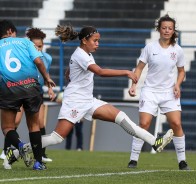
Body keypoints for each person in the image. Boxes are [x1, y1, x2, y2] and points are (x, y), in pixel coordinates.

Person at [7, 24, 174, 168]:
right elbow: (99, 71)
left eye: (98, 40)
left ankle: (155, 142)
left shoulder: (84, 54)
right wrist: (126, 72)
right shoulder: (80, 54)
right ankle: (16, 151)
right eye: (95, 40)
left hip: (88, 100)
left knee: (121, 117)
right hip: (75, 101)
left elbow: (76, 68)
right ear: (84, 41)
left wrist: (69, 71)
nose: (97, 44)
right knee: (56, 138)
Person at [126, 14, 190, 170]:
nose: (167, 31)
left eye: (170, 28)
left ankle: (182, 161)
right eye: (164, 28)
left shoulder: (178, 50)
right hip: (150, 91)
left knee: (176, 123)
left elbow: (182, 71)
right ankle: (133, 160)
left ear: (174, 31)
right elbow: (140, 68)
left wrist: (177, 85)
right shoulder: (150, 47)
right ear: (159, 30)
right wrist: (134, 84)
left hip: (169, 93)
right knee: (144, 124)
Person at [0, 20, 55, 170]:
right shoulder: (25, 42)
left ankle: (20, 145)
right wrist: (47, 78)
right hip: (31, 87)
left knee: (7, 127)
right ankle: (38, 163)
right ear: (11, 31)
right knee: (34, 125)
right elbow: (38, 61)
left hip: (9, 89)